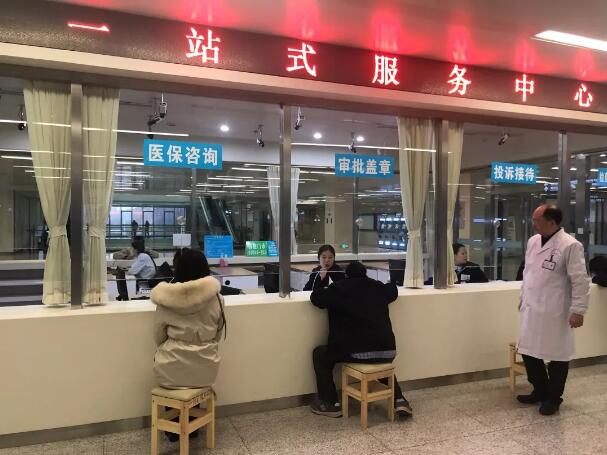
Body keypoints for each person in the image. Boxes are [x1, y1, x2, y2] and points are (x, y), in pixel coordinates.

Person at [309, 261, 412, 418]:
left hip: (355, 351)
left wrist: (322, 282)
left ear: (346, 275)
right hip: (387, 350)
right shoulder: (378, 287)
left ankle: (330, 403)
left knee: (320, 355)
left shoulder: (339, 289)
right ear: (365, 273)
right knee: (377, 360)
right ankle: (399, 400)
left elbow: (316, 298)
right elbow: (393, 290)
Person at [517, 204, 590, 415]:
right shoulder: (533, 241)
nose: (533, 224)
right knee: (529, 351)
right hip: (531, 307)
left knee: (558, 355)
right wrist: (522, 297)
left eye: (537, 220)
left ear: (551, 222)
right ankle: (539, 390)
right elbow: (528, 273)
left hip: (555, 310)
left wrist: (578, 310)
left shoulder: (570, 245)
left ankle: (553, 398)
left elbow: (580, 281)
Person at [151, 248, 225, 442]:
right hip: (206, 368)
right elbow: (217, 334)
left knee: (170, 364)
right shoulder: (217, 298)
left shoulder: (165, 300)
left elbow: (158, 336)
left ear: (178, 269)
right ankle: (193, 425)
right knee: (194, 368)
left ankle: (174, 428)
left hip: (171, 369)